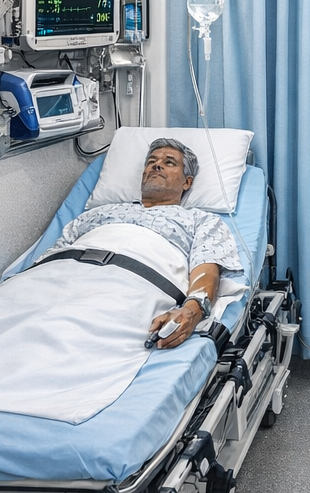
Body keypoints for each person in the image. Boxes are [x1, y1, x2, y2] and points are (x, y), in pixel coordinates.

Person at [45, 138, 245, 348]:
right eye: (151, 161)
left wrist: (191, 311)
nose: (156, 165)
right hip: (60, 279)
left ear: (187, 182)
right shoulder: (96, 213)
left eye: (169, 162)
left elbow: (206, 272)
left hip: (130, 287)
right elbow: (52, 255)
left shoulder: (201, 220)